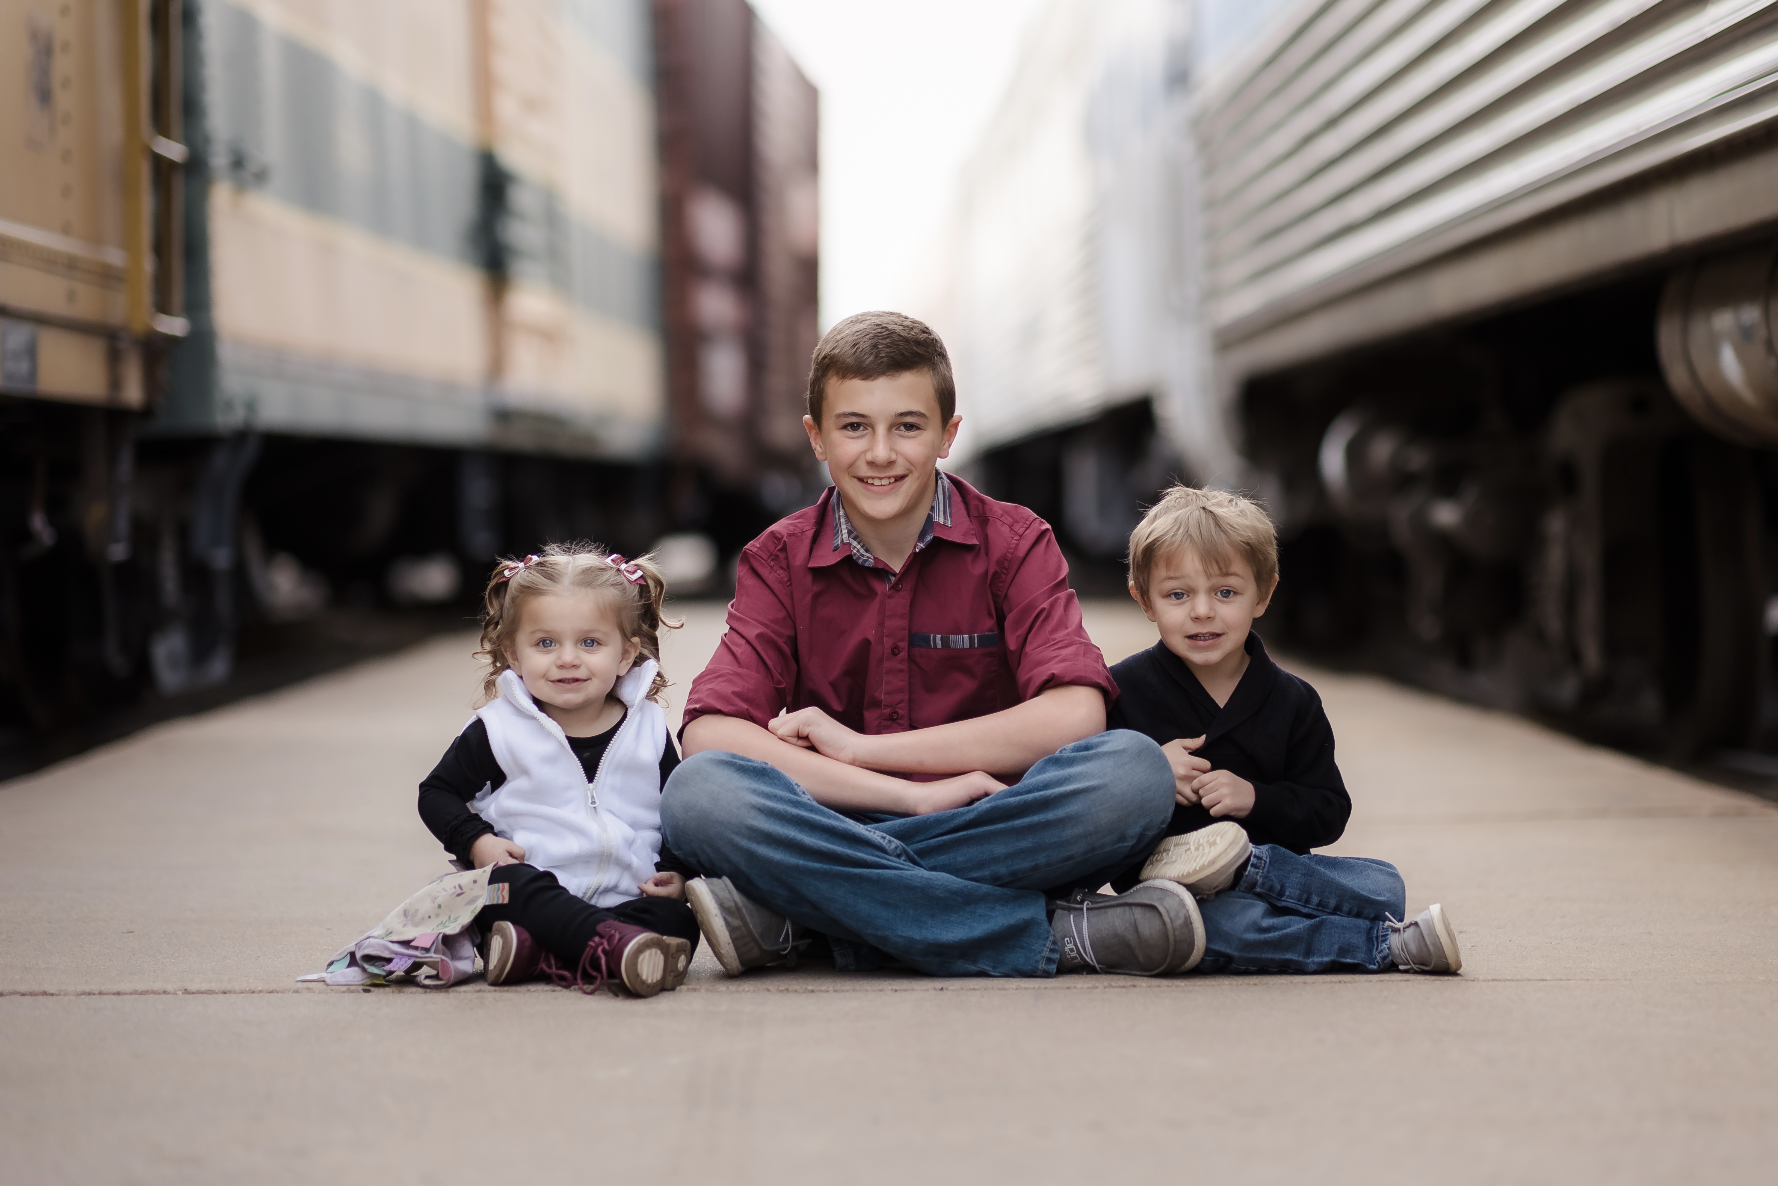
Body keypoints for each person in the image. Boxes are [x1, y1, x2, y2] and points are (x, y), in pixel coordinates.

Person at [661, 311, 1201, 980]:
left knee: (1132, 774)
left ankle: (809, 915)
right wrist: (907, 798)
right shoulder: (778, 560)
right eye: (854, 426)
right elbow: (713, 735)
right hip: (832, 819)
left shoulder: (1014, 541)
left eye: (908, 427)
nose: (880, 453)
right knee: (698, 795)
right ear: (817, 438)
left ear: (948, 435)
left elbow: (1075, 716)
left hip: (983, 820)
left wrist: (865, 749)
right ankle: (1049, 933)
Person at [1106, 485, 1463, 974]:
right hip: (1181, 897)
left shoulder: (1293, 700)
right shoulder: (1123, 691)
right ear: (1145, 600)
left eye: (1226, 592)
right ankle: (1387, 946)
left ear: (1265, 594)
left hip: (1282, 874)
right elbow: (1096, 818)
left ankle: (1247, 869)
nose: (1203, 611)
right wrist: (1149, 769)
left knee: (1384, 886)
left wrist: (1256, 799)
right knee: (1229, 926)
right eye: (1178, 595)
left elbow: (1328, 811)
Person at [416, 542, 703, 997]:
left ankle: (541, 953)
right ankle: (610, 948)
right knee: (502, 887)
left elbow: (677, 808)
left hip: (626, 895)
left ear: (626, 656)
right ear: (513, 654)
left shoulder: (646, 728)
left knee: (680, 919)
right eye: (546, 643)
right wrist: (477, 842)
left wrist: (675, 869)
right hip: (525, 893)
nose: (567, 658)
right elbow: (436, 792)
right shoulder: (498, 729)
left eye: (590, 643)